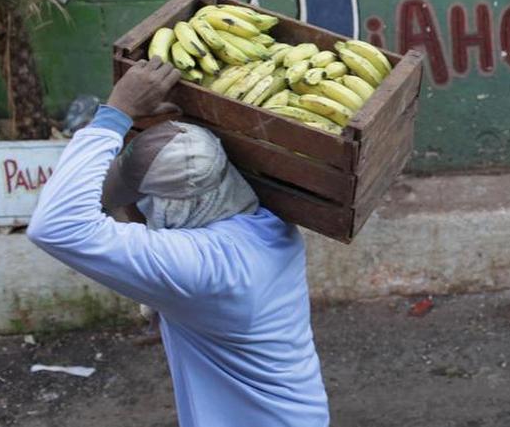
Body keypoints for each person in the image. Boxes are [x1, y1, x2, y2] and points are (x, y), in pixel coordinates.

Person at [27, 57, 330, 426]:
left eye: (145, 201)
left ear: (174, 209)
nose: (138, 209)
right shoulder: (270, 224)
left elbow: (53, 226)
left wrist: (117, 112)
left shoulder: (204, 269)